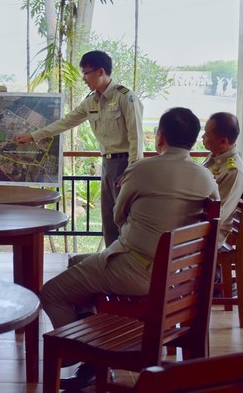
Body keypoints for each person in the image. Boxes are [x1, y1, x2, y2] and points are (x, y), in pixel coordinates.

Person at [41, 107, 219, 390]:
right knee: (77, 261)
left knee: (51, 293)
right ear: (194, 141)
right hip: (179, 277)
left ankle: (85, 354)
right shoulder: (206, 178)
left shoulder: (142, 169)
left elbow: (117, 215)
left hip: (133, 269)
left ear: (160, 137)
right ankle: (93, 346)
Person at [16, 50, 144, 247]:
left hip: (125, 165)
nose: (84, 79)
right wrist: (33, 136)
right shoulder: (91, 101)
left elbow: (136, 138)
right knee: (108, 219)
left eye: (87, 73)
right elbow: (65, 122)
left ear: (101, 71)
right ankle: (109, 262)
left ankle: (126, 263)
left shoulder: (125, 98)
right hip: (107, 164)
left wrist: (132, 171)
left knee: (124, 219)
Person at [202, 112, 243, 242]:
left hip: (212, 234)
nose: (203, 136)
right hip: (199, 222)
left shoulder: (234, 171)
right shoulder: (215, 157)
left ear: (223, 141)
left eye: (207, 133)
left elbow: (218, 217)